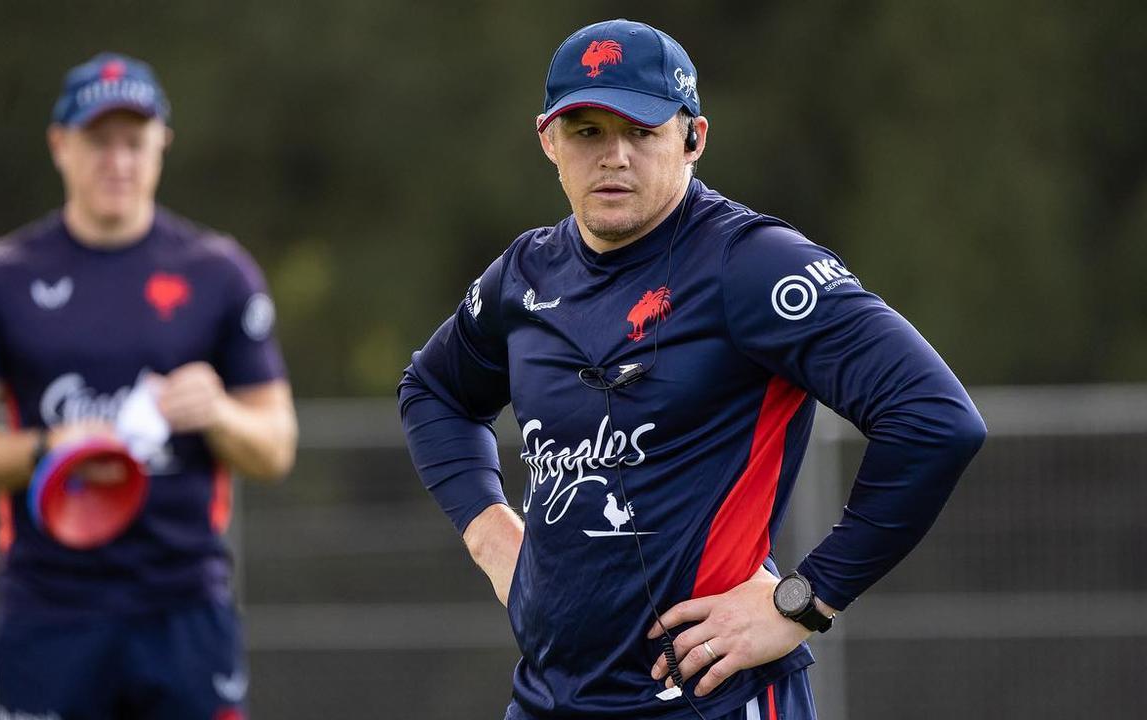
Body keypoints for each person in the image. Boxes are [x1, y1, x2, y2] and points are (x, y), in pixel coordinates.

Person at [399, 19, 985, 720]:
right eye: (587, 131)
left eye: (641, 132)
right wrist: (491, 534)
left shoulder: (751, 264)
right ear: (548, 141)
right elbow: (433, 392)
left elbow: (935, 419)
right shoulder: (524, 276)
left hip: (707, 701)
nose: (613, 156)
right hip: (548, 699)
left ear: (693, 138)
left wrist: (804, 600)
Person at [0, 52, 296, 719]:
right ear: (59, 145)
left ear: (162, 145)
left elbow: (274, 448)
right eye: (98, 141)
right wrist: (49, 448)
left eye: (135, 141)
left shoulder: (218, 273)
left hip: (184, 608)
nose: (117, 161)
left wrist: (217, 412)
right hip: (49, 611)